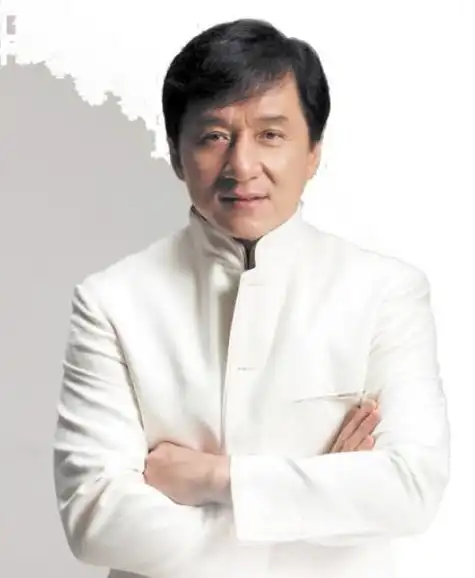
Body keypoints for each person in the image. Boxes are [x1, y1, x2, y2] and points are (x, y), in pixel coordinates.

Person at [53, 18, 450, 578]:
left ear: (313, 152)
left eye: (270, 135)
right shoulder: (112, 301)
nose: (242, 166)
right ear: (176, 154)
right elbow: (96, 520)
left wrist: (213, 478)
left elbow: (410, 491)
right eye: (214, 136)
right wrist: (318, 505)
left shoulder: (385, 291)